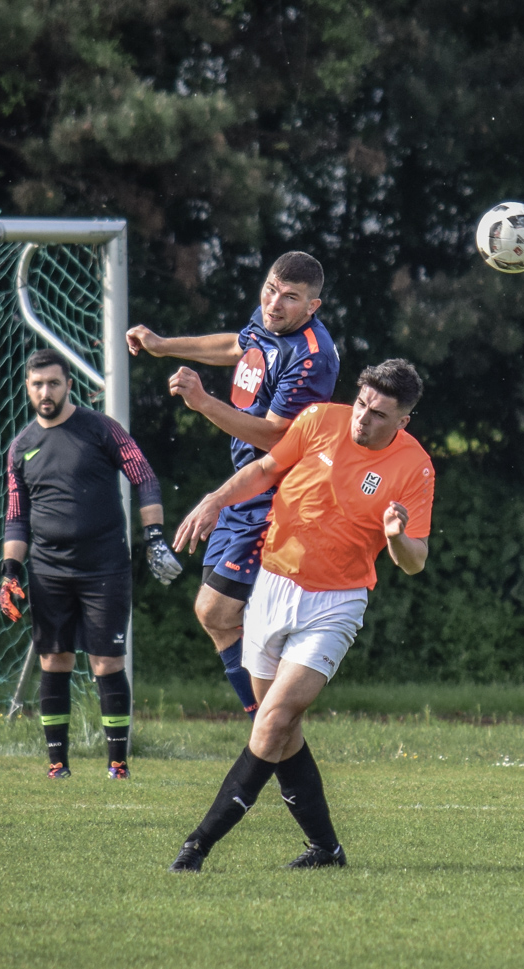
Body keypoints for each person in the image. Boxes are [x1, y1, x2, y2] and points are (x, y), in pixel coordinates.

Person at [165, 359, 433, 871]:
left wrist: (397, 538)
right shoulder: (319, 419)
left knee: (272, 722)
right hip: (272, 587)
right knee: (283, 733)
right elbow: (266, 469)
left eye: (379, 414)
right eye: (361, 403)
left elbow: (415, 560)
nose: (363, 418)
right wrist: (216, 500)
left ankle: (197, 846)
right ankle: (326, 849)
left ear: (403, 421)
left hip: (335, 604)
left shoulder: (414, 467)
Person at [125, 251, 340, 721]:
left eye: (290, 297)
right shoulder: (269, 320)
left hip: (278, 493)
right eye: (270, 290)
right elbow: (239, 347)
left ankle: (272, 727)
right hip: (246, 486)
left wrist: (203, 402)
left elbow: (276, 437)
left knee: (218, 610)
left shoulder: (312, 356)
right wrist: (163, 346)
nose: (274, 304)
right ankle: (270, 725)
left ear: (313, 306)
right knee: (215, 615)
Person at [0, 349, 183, 779]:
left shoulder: (101, 429)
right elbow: (16, 516)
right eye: (38, 384)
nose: (46, 392)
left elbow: (145, 477)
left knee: (107, 663)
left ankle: (117, 764)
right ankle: (57, 765)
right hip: (48, 571)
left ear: (68, 385)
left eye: (53, 383)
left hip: (105, 568)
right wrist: (10, 572)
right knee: (53, 661)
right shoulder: (21, 446)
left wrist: (154, 538)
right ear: (27, 388)